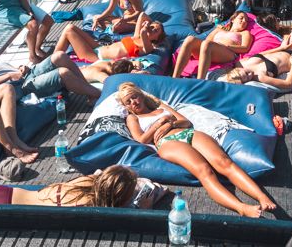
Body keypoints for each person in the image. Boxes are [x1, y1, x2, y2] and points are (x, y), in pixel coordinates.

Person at [117, 82, 275, 217]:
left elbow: (185, 121)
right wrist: (160, 123)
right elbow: (141, 139)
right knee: (205, 171)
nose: (133, 102)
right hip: (167, 143)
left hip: (188, 132)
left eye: (134, 97)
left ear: (141, 95)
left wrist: (170, 123)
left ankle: (261, 196)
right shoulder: (133, 118)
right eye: (128, 102)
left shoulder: (161, 106)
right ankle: (241, 208)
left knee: (224, 162)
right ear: (126, 107)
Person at [0, 37, 100, 101]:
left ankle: (88, 88)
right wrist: (9, 76)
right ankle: (97, 94)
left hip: (24, 75)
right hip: (20, 87)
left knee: (59, 56)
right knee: (63, 73)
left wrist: (18, 68)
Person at [0, 164, 138, 207]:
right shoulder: (90, 206)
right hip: (4, 207)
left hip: (1, 191)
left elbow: (100, 174)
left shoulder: (84, 182)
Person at [171, 11, 255, 80]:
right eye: (241, 18)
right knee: (190, 39)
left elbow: (245, 48)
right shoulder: (219, 29)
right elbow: (208, 39)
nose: (244, 21)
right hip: (210, 48)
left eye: (246, 21)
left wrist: (225, 46)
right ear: (233, 19)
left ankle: (200, 81)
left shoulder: (244, 33)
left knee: (208, 44)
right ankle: (175, 78)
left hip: (228, 53)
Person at [55, 12, 165, 63]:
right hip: (98, 47)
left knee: (69, 30)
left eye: (156, 30)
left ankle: (52, 61)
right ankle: (54, 59)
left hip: (96, 58)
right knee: (71, 27)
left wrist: (146, 28)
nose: (152, 28)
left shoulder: (148, 48)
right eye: (152, 27)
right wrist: (149, 23)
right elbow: (142, 15)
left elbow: (144, 33)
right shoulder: (136, 36)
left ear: (156, 38)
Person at [81, 58, 145, 83]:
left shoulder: (111, 63)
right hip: (76, 77)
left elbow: (136, 62)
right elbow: (111, 83)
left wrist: (138, 67)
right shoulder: (99, 74)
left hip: (81, 69)